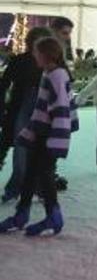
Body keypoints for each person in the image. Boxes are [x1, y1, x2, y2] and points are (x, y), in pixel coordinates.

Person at [0, 36, 77, 236]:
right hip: (42, 133)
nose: (33, 55)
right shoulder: (48, 73)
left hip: (50, 136)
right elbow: (41, 110)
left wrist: (56, 140)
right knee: (32, 175)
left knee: (44, 175)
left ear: (45, 54)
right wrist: (30, 131)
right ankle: (21, 215)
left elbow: (62, 110)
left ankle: (53, 216)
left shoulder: (57, 76)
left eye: (36, 52)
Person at [0, 27, 53, 203]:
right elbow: (3, 85)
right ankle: (15, 187)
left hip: (44, 110)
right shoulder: (19, 61)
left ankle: (35, 187)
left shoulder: (51, 63)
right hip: (20, 109)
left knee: (39, 151)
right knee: (21, 152)